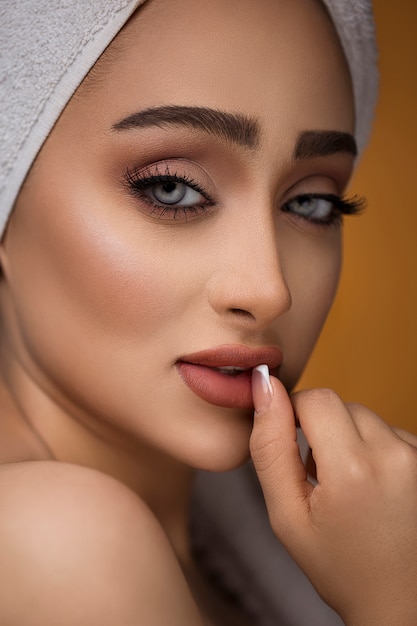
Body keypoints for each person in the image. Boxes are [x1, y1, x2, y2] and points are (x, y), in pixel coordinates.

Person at [0, 1, 416, 625]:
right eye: (171, 187)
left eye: (311, 204)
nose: (270, 289)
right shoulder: (56, 541)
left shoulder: (255, 517)